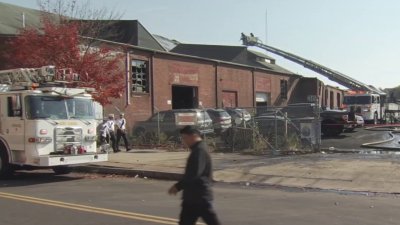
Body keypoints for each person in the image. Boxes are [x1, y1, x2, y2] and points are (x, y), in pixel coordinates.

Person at [168, 126, 221, 225]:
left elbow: (194, 173)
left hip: (199, 197)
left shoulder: (199, 151)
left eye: (185, 138)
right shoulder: (198, 149)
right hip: (193, 197)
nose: (184, 141)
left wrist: (178, 186)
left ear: (194, 136)